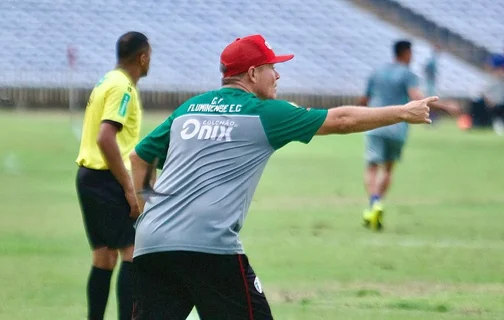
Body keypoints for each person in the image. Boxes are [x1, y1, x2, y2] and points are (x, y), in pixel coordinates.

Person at [129, 34, 435, 320]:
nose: (277, 75)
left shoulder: (188, 109)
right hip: (209, 246)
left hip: (152, 242)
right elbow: (340, 120)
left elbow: (139, 157)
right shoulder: (265, 112)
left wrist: (149, 213)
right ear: (251, 74)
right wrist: (403, 113)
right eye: (272, 68)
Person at [75, 31, 151, 320]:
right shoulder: (123, 88)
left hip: (88, 178)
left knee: (104, 257)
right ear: (143, 57)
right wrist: (130, 189)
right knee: (132, 251)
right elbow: (106, 138)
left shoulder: (106, 80)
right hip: (109, 179)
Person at [358, 40, 459, 231]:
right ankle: (378, 202)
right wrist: (445, 106)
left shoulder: (377, 72)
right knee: (388, 168)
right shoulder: (407, 74)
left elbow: (364, 99)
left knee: (372, 166)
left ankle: (373, 203)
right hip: (396, 126)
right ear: (405, 53)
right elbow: (417, 97)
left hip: (373, 123)